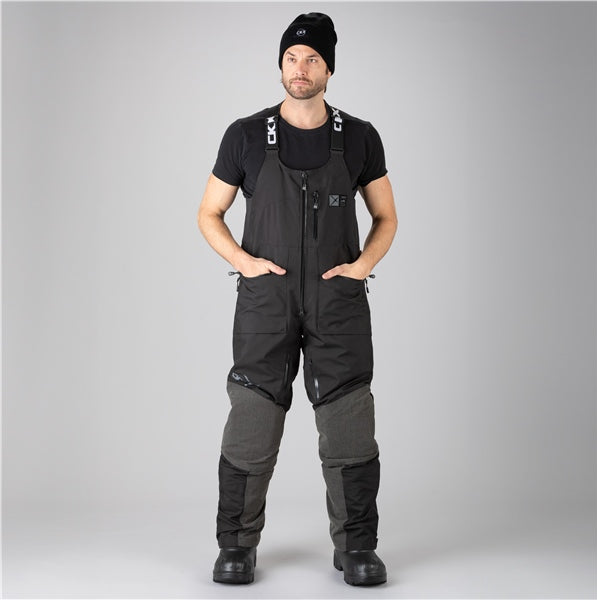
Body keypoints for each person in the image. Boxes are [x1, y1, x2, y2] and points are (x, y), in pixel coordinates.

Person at [197, 12, 397, 587]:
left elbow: (385, 217)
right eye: (291, 57)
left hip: (339, 304)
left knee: (349, 423)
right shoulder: (244, 135)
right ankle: (236, 546)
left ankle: (357, 547)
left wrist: (363, 267)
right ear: (280, 64)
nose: (300, 68)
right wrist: (245, 263)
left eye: (312, 59)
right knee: (252, 420)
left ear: (329, 69)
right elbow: (209, 213)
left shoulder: (359, 137)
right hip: (267, 303)